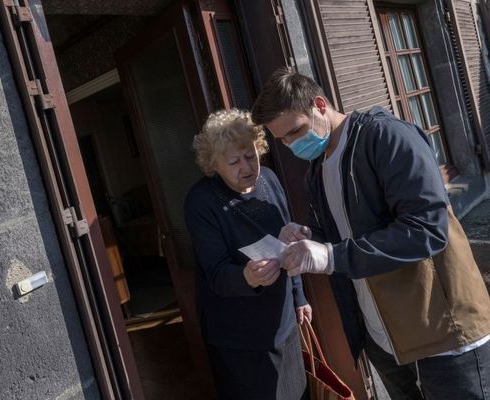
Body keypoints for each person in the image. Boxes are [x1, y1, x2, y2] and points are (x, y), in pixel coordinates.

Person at [251, 68, 490, 400]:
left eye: (296, 131)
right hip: (382, 338)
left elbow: (426, 229)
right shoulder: (317, 171)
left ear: (320, 104)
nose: (292, 144)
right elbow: (339, 235)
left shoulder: (386, 136)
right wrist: (307, 236)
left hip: (443, 332)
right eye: (283, 140)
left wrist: (332, 256)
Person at [184, 108, 310, 400]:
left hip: (283, 321)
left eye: (251, 156)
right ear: (213, 163)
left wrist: (299, 295)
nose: (247, 167)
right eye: (234, 161)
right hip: (238, 336)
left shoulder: (269, 179)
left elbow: (287, 242)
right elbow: (215, 273)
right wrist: (247, 275)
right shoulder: (201, 201)